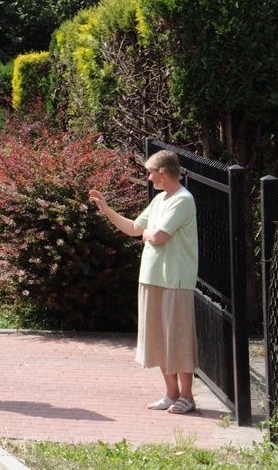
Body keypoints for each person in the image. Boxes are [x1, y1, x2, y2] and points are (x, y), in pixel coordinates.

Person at [89, 149, 199, 415]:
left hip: (176, 279)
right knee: (158, 338)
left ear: (163, 172)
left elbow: (158, 236)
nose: (149, 178)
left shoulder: (183, 200)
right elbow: (134, 229)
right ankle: (171, 394)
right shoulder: (161, 199)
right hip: (151, 278)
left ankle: (187, 396)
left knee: (179, 337)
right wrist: (106, 210)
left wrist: (148, 234)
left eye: (150, 172)